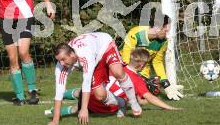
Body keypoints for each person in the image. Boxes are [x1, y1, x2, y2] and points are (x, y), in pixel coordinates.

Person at [45, 49, 181, 120]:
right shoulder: (136, 79)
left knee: (82, 92)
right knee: (76, 109)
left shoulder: (114, 66)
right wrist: (170, 108)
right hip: (105, 107)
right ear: (141, 65)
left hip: (92, 95)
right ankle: (49, 112)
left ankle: (60, 96)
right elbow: (148, 99)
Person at [49, 32, 142, 125]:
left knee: (118, 72)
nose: (61, 63)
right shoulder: (60, 66)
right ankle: (122, 102)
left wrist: (84, 109)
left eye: (63, 59)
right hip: (95, 58)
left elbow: (86, 82)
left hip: (105, 46)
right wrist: (55, 120)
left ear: (72, 54)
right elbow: (59, 92)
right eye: (59, 60)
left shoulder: (85, 55)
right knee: (99, 95)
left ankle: (134, 103)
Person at [120, 14, 184, 101]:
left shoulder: (163, 42)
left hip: (142, 71)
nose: (168, 34)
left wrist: (165, 84)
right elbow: (125, 60)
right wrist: (138, 78)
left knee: (144, 100)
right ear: (157, 28)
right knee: (127, 98)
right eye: (166, 31)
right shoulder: (136, 34)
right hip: (121, 68)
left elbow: (157, 62)